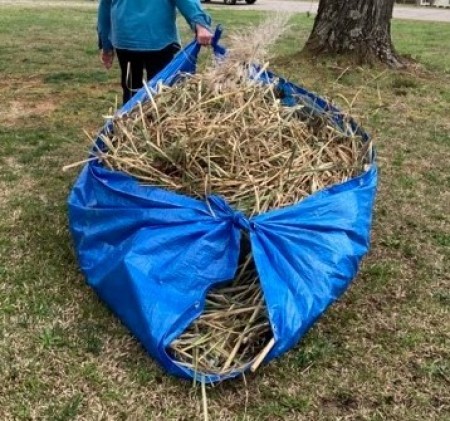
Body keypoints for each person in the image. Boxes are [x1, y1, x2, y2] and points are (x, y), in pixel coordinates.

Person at [97, 0, 213, 104]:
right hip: (152, 38)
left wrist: (105, 44)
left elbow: (105, 6)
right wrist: (200, 23)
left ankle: (132, 122)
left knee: (135, 93)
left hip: (133, 38)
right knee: (159, 94)